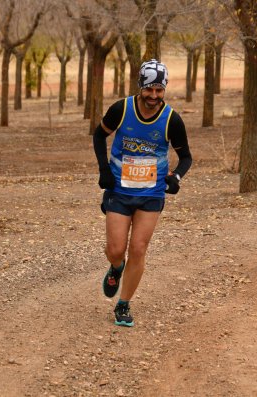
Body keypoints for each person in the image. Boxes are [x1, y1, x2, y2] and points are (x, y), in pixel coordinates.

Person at [93, 59, 192, 327]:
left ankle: (123, 304)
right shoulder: (121, 109)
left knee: (138, 248)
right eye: (149, 90)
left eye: (159, 91)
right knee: (116, 250)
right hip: (119, 189)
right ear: (141, 87)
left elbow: (186, 158)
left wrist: (176, 178)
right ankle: (116, 268)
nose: (154, 96)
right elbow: (98, 135)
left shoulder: (172, 119)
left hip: (151, 193)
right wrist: (104, 169)